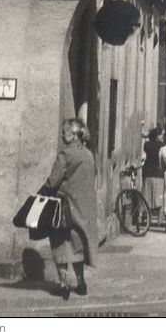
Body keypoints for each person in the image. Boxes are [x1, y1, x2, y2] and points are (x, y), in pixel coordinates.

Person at [43, 118, 98, 300]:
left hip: (64, 206)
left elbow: (53, 180)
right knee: (78, 247)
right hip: (83, 208)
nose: (61, 134)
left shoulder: (65, 154)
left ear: (73, 134)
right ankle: (81, 283)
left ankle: (64, 284)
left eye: (64, 131)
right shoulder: (88, 154)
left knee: (59, 243)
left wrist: (43, 192)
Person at [142, 127, 165, 224]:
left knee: (147, 196)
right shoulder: (162, 146)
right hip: (159, 173)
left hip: (148, 173)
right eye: (161, 135)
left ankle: (147, 219)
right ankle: (159, 220)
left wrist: (147, 136)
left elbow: (147, 145)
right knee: (159, 198)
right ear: (158, 136)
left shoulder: (147, 145)